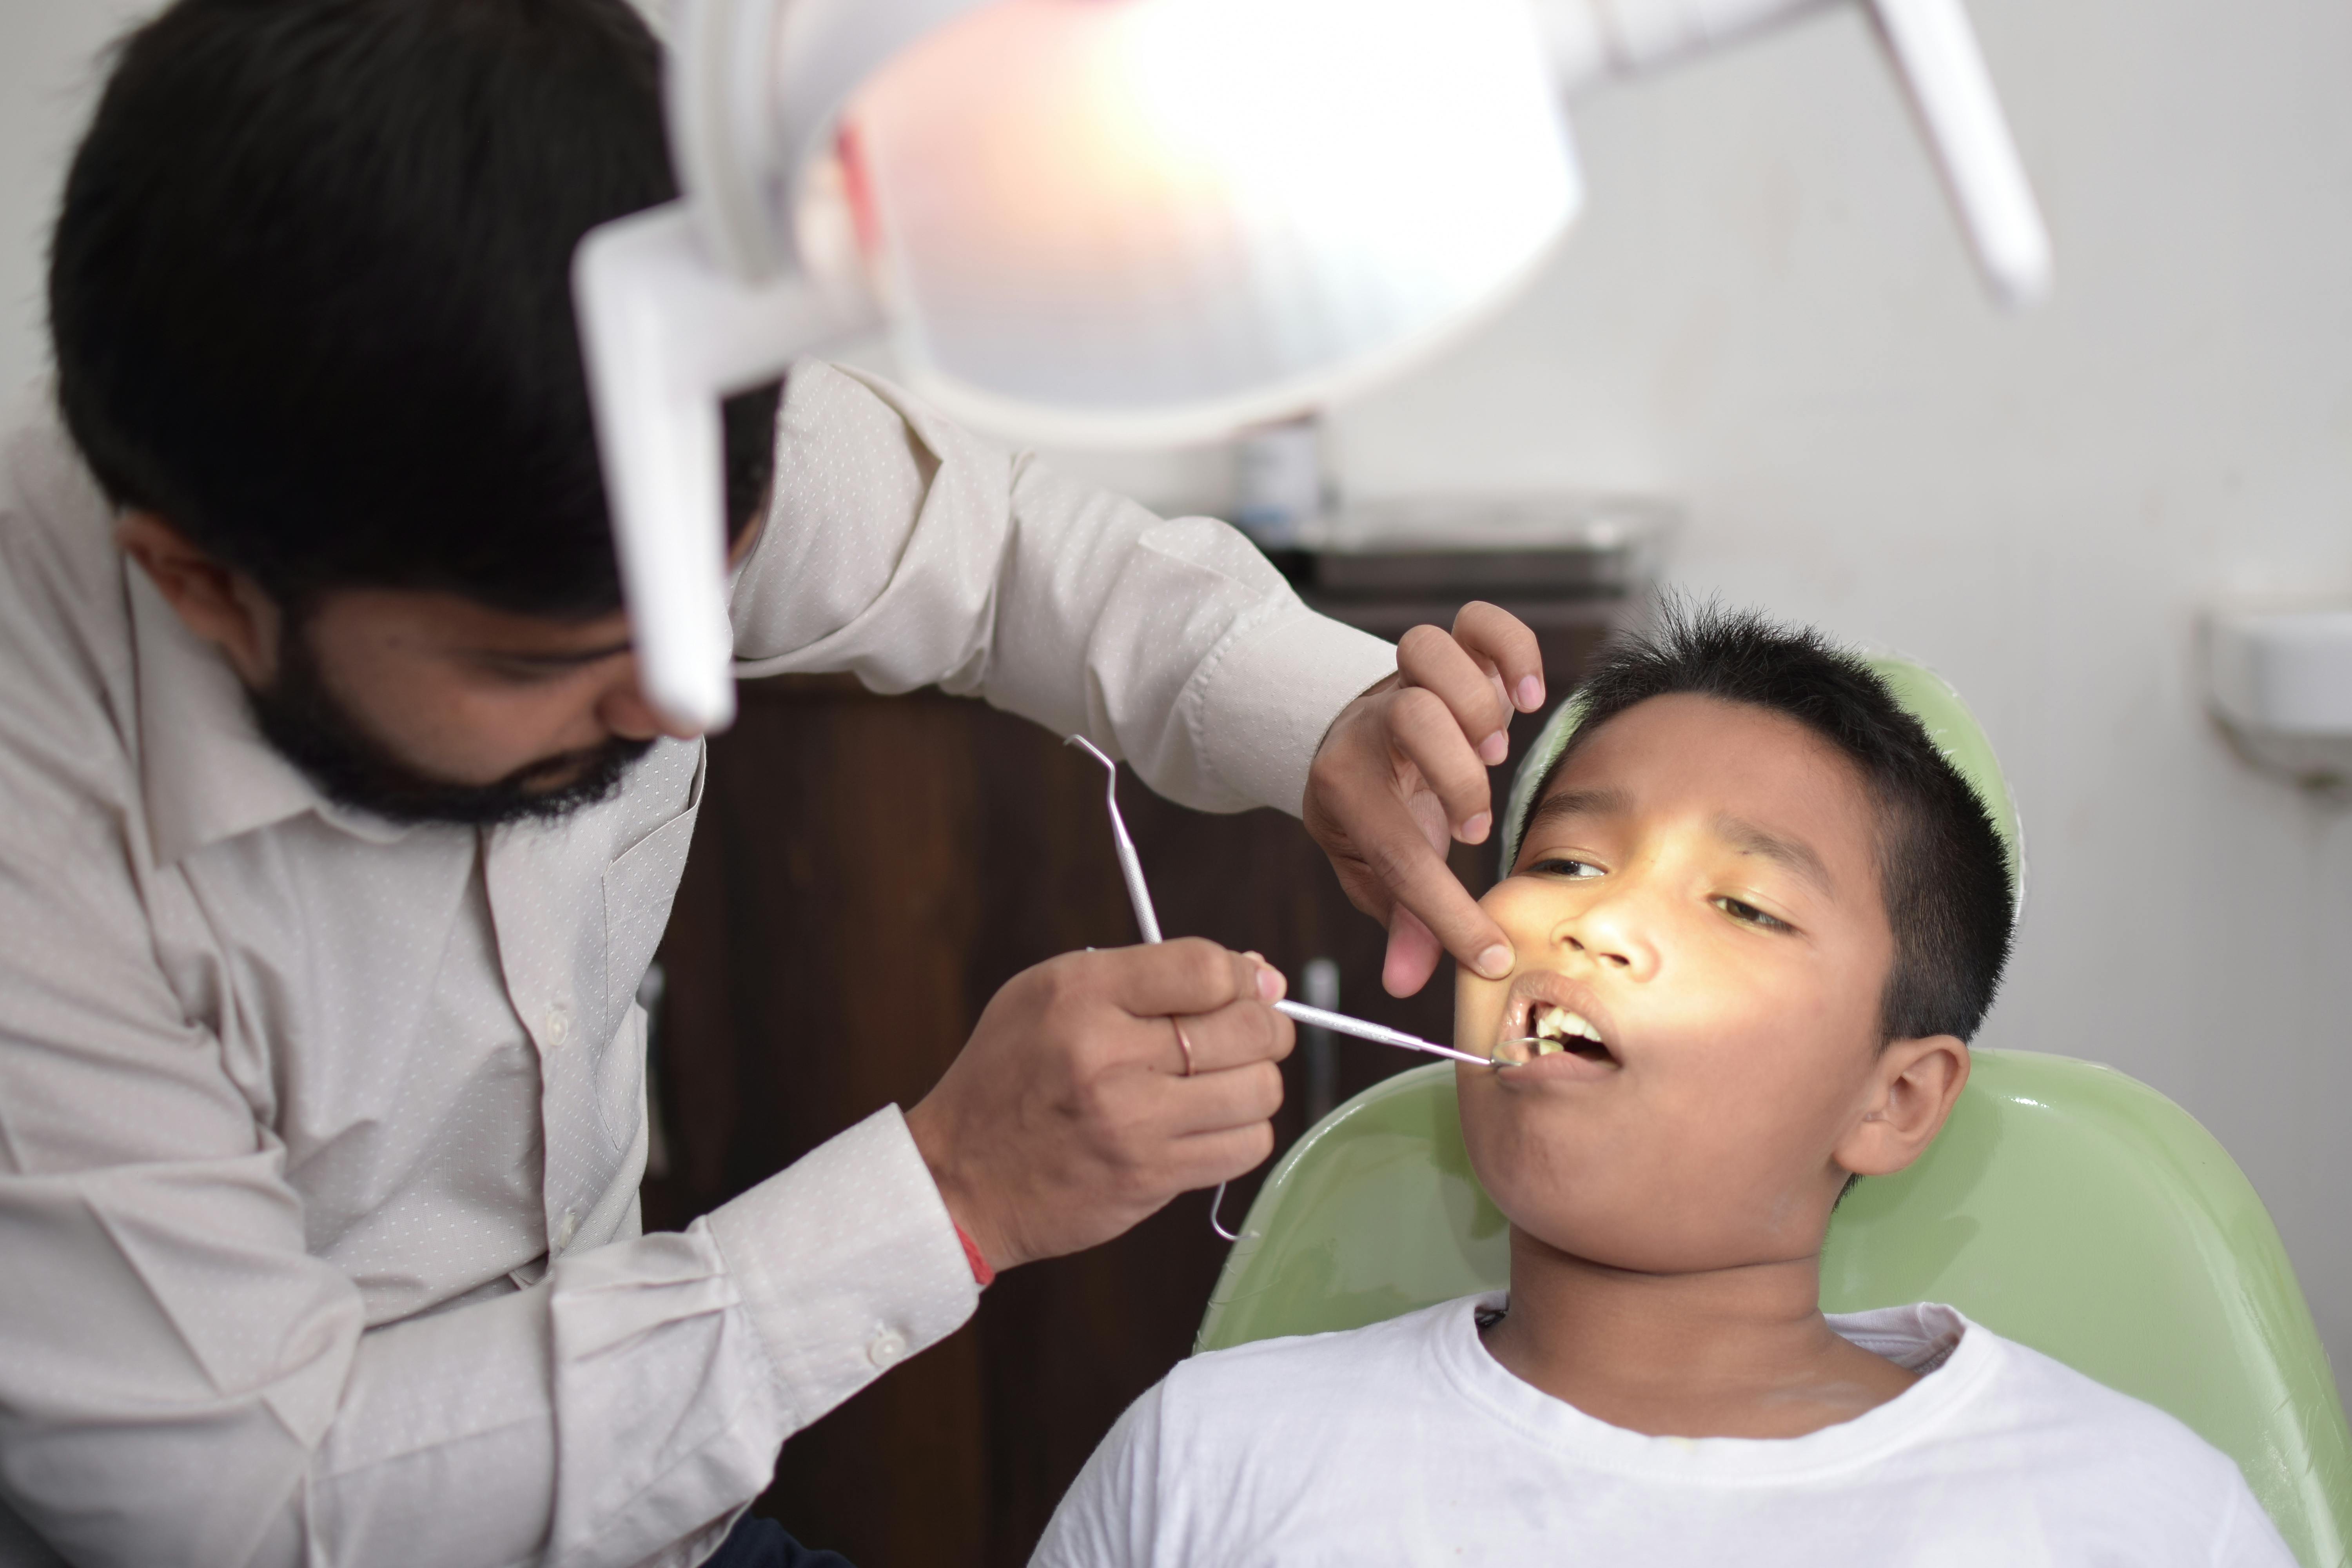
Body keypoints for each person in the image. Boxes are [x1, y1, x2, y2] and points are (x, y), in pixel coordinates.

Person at [0, 2, 1550, 1564]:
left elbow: (1007, 553)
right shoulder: (40, 827)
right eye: (550, 661)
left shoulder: (633, 392)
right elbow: (251, 1509)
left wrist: (1322, 717)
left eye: (709, 599)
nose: (683, 698)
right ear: (200, 585)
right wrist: (951, 1188)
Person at [1031, 606, 2298, 1567]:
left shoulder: (2140, 1517)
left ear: (1896, 1101)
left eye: (1743, 904)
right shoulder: (1210, 1461)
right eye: (1570, 861)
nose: (1602, 929)